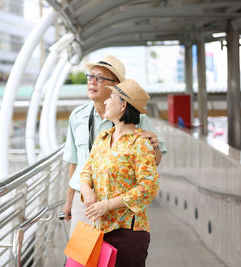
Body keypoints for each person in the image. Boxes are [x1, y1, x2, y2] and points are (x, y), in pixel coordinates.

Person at [62, 55, 166, 235]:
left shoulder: (137, 118)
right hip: (84, 201)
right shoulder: (77, 117)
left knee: (111, 258)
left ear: (115, 85)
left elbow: (153, 163)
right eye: (90, 76)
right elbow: (75, 163)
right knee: (80, 260)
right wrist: (69, 200)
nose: (92, 82)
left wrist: (154, 148)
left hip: (119, 207)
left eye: (100, 78)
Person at [80, 79, 159, 267]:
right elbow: (86, 170)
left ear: (124, 105)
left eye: (111, 97)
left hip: (128, 233)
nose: (106, 101)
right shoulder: (103, 137)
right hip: (98, 229)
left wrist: (107, 205)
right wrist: (86, 189)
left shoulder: (140, 143)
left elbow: (148, 187)